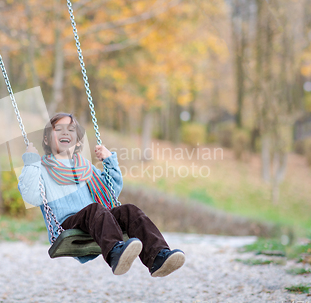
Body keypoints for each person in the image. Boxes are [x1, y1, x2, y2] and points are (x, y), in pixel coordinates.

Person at [17, 112, 185, 277]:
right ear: (46, 139)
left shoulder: (85, 167)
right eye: (58, 129)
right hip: (66, 224)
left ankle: (158, 256)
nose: (65, 132)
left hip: (97, 219)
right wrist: (31, 161)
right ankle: (115, 253)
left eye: (71, 129)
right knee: (94, 209)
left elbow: (110, 191)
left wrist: (109, 160)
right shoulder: (41, 169)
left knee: (129, 211)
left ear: (77, 142)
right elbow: (31, 196)